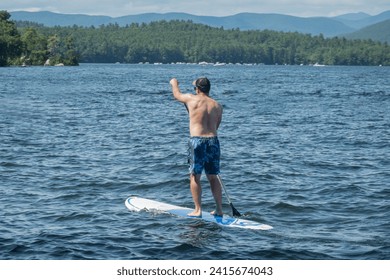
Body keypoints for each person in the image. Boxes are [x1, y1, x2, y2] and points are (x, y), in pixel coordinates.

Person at [170, 77, 223, 217]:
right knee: (213, 176)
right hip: (213, 141)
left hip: (197, 141)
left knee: (195, 176)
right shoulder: (217, 105)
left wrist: (174, 83)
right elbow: (216, 125)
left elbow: (176, 95)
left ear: (198, 89)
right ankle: (219, 209)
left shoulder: (191, 99)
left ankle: (198, 210)